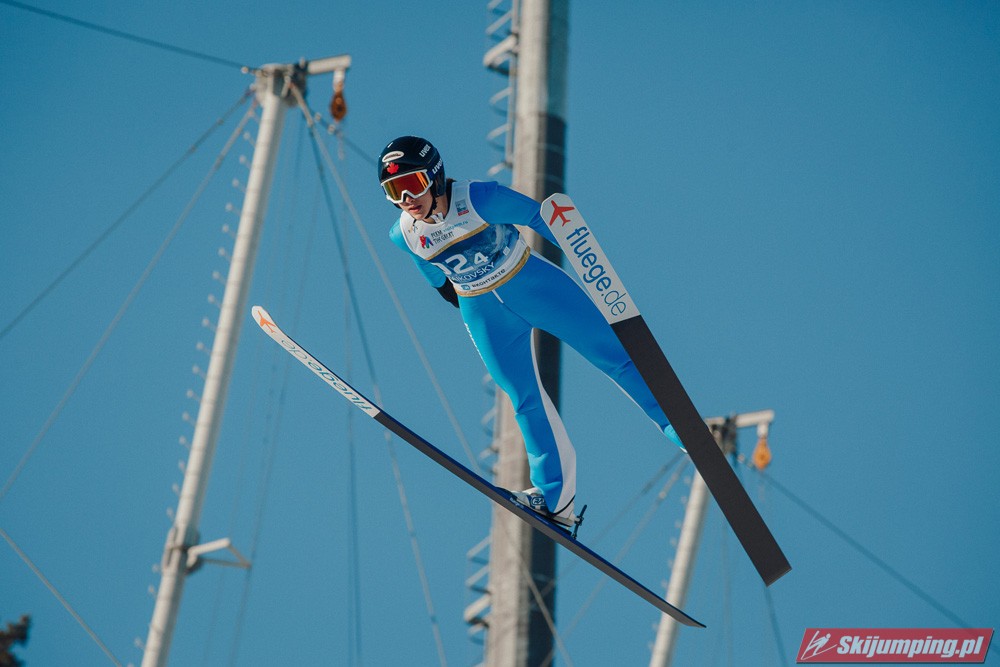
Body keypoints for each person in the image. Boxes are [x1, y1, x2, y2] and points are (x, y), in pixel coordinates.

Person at [378, 136, 682, 528]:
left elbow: (540, 217)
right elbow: (430, 270)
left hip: (533, 285)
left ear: (434, 177)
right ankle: (556, 500)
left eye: (412, 184)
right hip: (484, 313)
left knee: (611, 354)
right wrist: (457, 299)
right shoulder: (403, 234)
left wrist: (584, 258)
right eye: (394, 191)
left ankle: (676, 426)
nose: (406, 199)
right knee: (523, 399)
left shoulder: (480, 199)